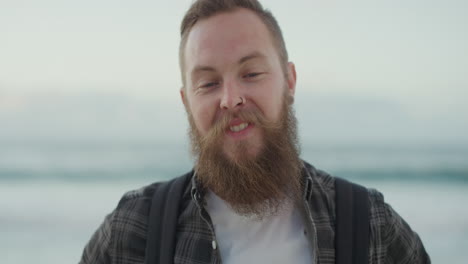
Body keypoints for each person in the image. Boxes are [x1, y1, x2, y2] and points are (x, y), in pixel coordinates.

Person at [79, 0, 430, 263]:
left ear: (289, 82)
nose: (230, 99)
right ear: (187, 102)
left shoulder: (370, 224)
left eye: (251, 74)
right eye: (209, 83)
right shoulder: (132, 229)